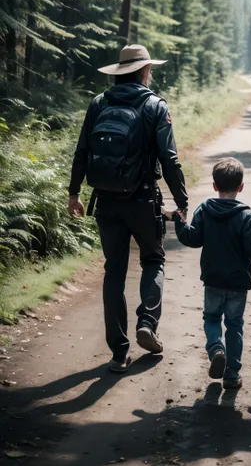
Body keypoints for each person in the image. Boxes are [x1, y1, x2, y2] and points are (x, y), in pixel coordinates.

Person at [68, 44, 188, 373]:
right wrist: (182, 201)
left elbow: (82, 150)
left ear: (121, 71)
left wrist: (74, 193)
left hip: (105, 201)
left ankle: (119, 353)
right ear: (144, 71)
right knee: (153, 259)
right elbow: (170, 159)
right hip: (142, 200)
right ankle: (147, 323)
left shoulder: (98, 103)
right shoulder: (154, 106)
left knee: (114, 272)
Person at [173, 157, 251, 390]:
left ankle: (215, 349)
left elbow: (191, 238)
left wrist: (180, 221)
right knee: (234, 325)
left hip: (212, 279)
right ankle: (232, 374)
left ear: (214, 186)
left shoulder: (204, 210)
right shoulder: (247, 215)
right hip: (238, 283)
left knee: (212, 318)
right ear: (241, 187)